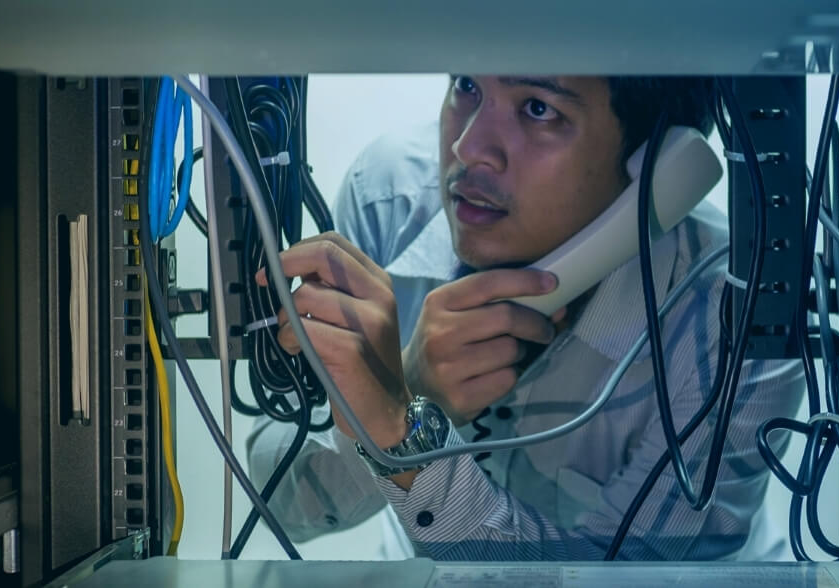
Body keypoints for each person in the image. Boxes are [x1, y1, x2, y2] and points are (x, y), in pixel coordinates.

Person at [246, 75, 804, 561]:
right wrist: (408, 399)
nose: (468, 150)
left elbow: (629, 576)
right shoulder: (387, 199)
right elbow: (276, 499)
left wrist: (408, 437)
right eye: (466, 85)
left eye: (538, 108)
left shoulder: (732, 318)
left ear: (661, 167)